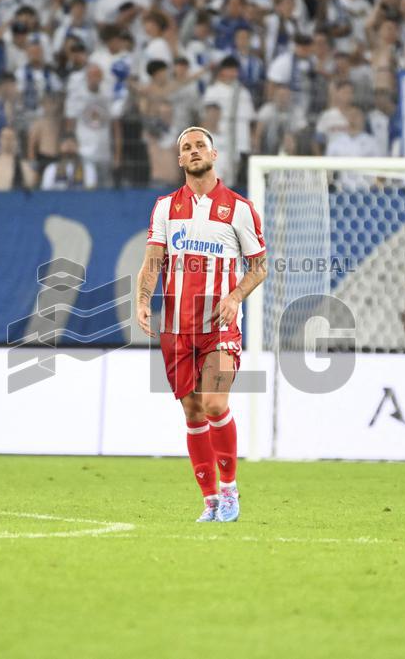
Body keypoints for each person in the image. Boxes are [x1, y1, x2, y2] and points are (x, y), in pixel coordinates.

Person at [135, 126, 268, 523]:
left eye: (200, 146)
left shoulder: (239, 208)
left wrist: (234, 296)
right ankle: (209, 500)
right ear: (179, 160)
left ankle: (230, 491)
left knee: (214, 402)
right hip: (177, 327)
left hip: (222, 326)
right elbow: (153, 260)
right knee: (192, 411)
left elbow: (259, 267)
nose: (193, 152)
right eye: (186, 148)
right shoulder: (164, 207)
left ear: (214, 154)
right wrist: (143, 300)